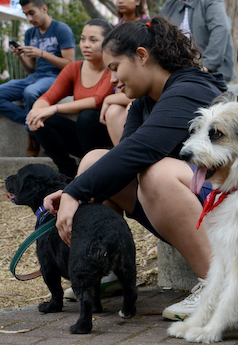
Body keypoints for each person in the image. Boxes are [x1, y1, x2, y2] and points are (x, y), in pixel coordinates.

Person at [43, 16, 227, 320]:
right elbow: (122, 160)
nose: (112, 80)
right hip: (197, 202)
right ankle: (107, 270)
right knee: (94, 161)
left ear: (141, 56)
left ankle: (218, 288)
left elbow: (141, 151)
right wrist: (68, 191)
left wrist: (75, 192)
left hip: (231, 204)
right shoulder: (144, 101)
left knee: (157, 174)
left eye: (115, 68)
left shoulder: (190, 88)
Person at [0, 0, 75, 157]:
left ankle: (35, 136)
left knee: (30, 92)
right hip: (34, 77)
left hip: (56, 78)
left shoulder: (62, 29)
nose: (29, 19)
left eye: (32, 13)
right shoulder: (30, 33)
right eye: (26, 14)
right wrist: (20, 57)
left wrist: (42, 54)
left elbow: (70, 65)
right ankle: (32, 128)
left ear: (44, 9)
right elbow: (30, 69)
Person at [25, 19, 115, 179]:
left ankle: (90, 171)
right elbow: (48, 96)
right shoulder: (73, 68)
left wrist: (53, 108)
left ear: (108, 43)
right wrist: (36, 112)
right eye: (82, 39)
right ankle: (68, 173)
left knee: (87, 116)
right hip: (83, 138)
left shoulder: (113, 67)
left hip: (107, 140)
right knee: (44, 120)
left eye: (93, 40)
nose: (86, 44)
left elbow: (97, 100)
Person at [159, 0, 234, 81]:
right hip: (177, 76)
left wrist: (206, 67)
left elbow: (220, 30)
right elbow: (158, 39)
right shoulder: (168, 6)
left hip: (211, 75)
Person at [102, 0, 151, 145]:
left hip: (143, 91)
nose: (120, 1)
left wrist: (109, 99)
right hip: (123, 91)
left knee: (132, 107)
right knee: (113, 111)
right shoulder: (114, 30)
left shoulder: (149, 27)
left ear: (138, 1)